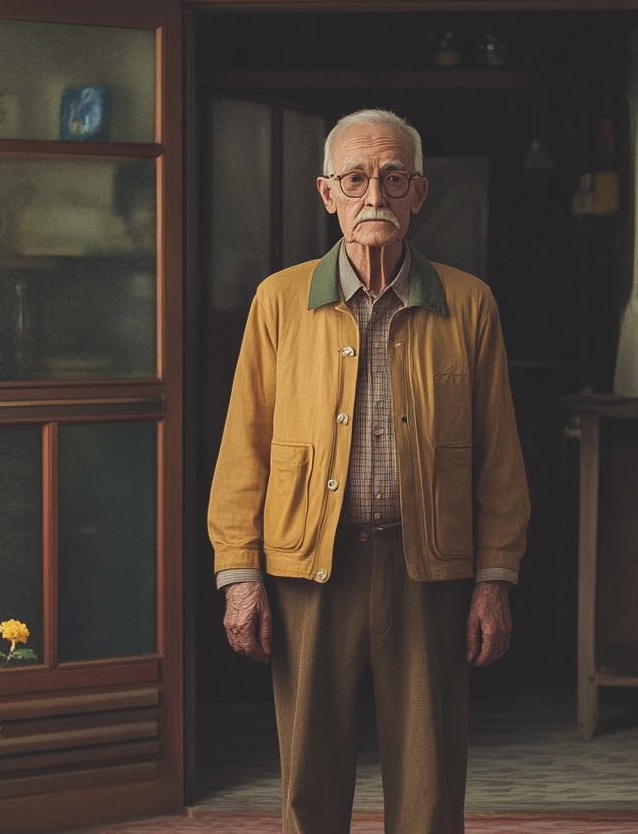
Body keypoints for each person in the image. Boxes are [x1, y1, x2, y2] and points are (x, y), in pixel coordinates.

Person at [208, 108, 530, 834]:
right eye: (355, 179)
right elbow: (243, 450)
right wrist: (239, 575)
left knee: (430, 787)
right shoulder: (279, 301)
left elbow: (500, 459)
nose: (373, 197)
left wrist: (495, 578)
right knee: (309, 785)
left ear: (420, 192)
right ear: (328, 194)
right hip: (308, 570)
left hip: (430, 572)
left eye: (392, 179)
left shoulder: (469, 303)